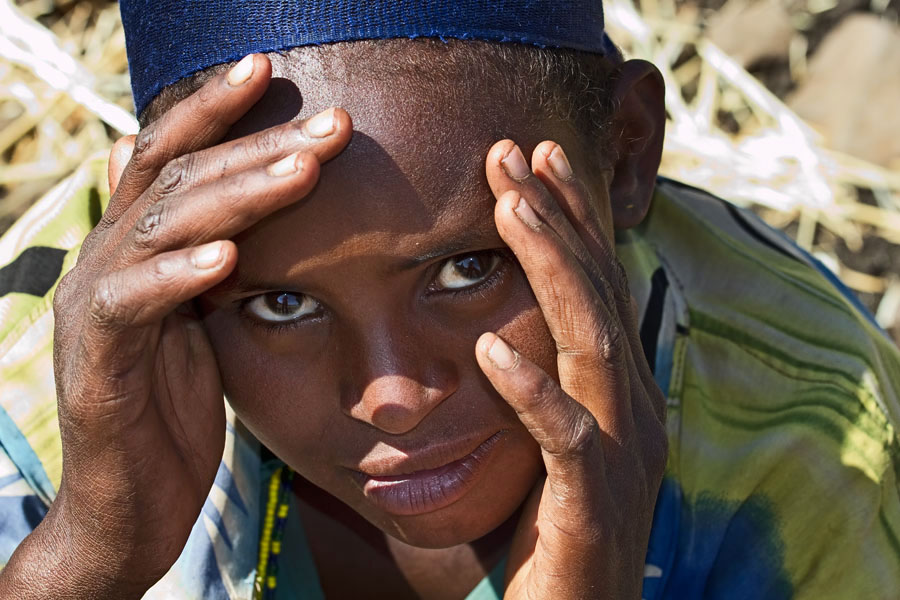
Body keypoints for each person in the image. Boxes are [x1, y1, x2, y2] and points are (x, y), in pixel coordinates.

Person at [0, 1, 899, 598]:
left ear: (625, 155)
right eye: (279, 305)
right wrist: (87, 559)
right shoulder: (36, 390)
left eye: (468, 269)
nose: (390, 393)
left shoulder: (805, 433)